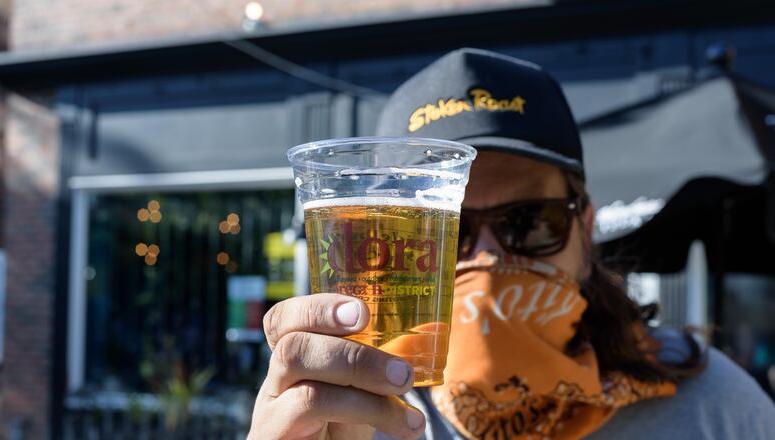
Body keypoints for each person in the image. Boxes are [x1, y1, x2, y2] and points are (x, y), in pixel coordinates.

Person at [247, 48, 775, 440]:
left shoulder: (717, 407)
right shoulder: (340, 413)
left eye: (529, 222)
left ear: (585, 232)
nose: (489, 257)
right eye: (448, 234)